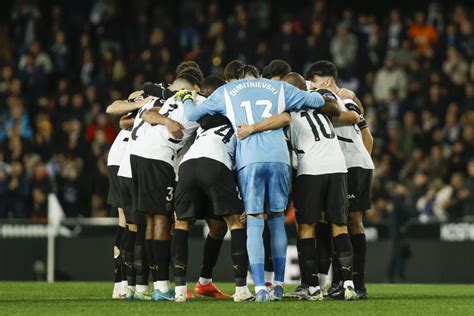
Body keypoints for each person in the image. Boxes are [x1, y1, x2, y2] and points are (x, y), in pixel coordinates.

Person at [179, 64, 328, 302]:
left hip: (250, 159)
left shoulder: (228, 91)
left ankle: (259, 288)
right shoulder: (278, 87)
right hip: (279, 157)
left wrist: (186, 98)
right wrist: (327, 92)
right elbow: (317, 102)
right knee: (277, 220)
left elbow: (192, 115)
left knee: (256, 222)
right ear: (259, 75)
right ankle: (277, 286)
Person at [108, 68, 202, 301]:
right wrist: (169, 122)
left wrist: (164, 117)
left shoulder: (166, 98)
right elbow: (125, 114)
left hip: (134, 158)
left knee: (143, 223)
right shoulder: (197, 100)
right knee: (159, 220)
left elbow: (144, 115)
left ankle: (137, 287)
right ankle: (158, 287)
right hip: (157, 159)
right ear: (196, 87)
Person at [171, 75, 253, 302]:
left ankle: (187, 288)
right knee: (235, 222)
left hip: (188, 166)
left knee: (194, 225)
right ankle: (242, 290)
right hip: (216, 164)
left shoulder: (204, 119)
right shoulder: (238, 118)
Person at [306, 60, 375, 299]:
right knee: (345, 221)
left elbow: (355, 118)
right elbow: (369, 138)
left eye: (313, 83)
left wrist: (356, 162)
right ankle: (351, 283)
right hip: (355, 165)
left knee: (343, 221)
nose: (311, 89)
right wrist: (364, 159)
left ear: (325, 81)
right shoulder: (347, 100)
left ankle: (350, 284)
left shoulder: (339, 102)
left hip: (350, 167)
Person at [107, 111, 134, 299]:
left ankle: (120, 283)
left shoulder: (142, 105)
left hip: (118, 158)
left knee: (124, 221)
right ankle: (124, 282)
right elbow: (122, 119)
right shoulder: (151, 106)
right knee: (129, 221)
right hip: (124, 161)